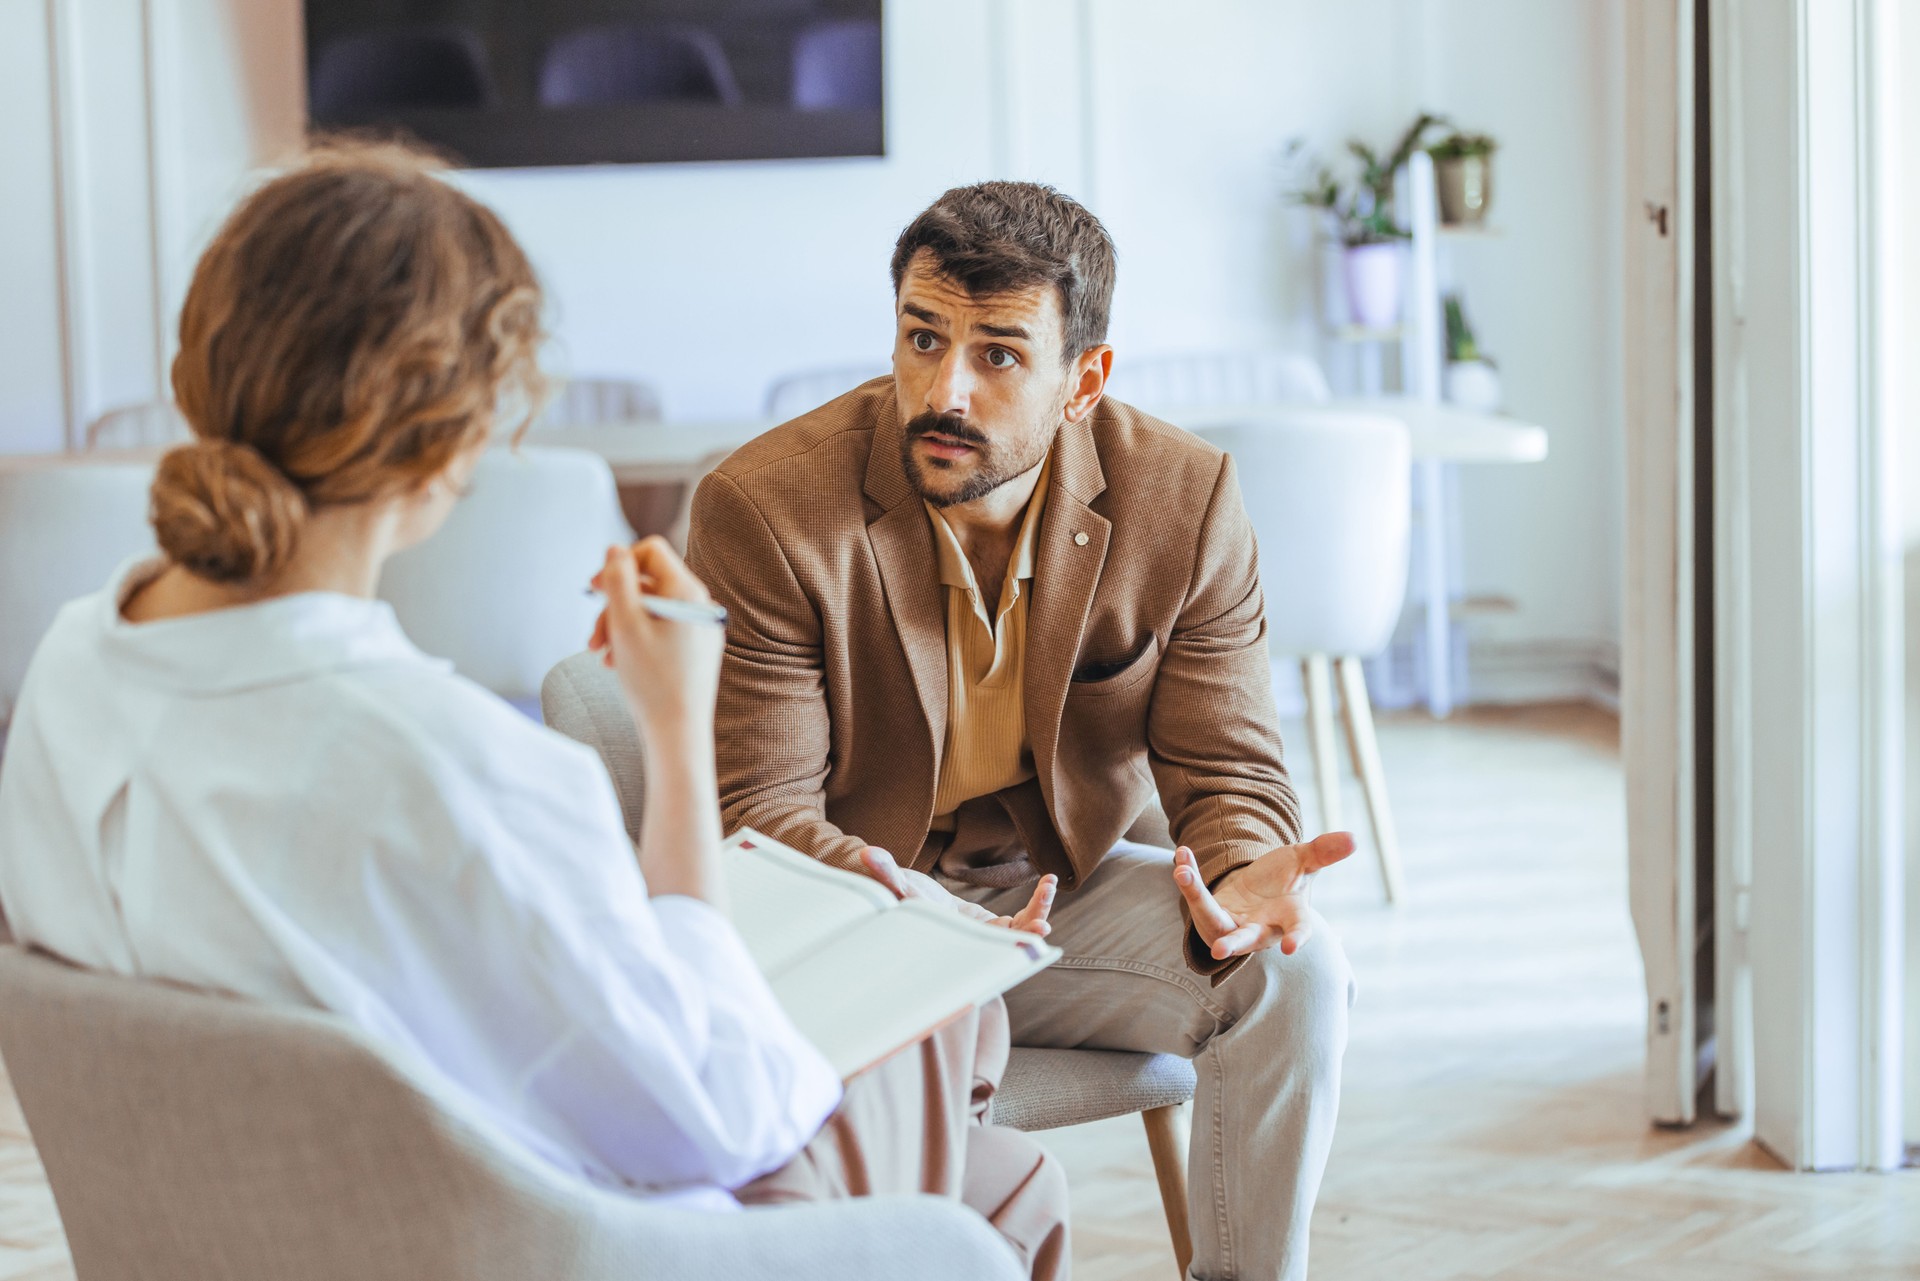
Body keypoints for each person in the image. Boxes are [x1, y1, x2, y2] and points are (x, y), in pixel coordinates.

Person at [0, 145, 1066, 1278]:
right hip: (564, 1248)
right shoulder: (449, 769)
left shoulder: (67, 676)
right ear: (450, 450)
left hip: (260, 1240)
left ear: (198, 371)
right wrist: (674, 729)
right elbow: (726, 1117)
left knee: (1008, 1179)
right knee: (940, 1031)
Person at [686, 181, 1358, 1281]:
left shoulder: (1183, 501)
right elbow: (759, 815)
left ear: (1083, 380)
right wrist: (911, 919)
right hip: (862, 907)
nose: (942, 389)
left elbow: (1226, 764)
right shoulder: (766, 510)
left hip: (1060, 903)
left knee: (1297, 969)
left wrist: (1241, 871)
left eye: (999, 355)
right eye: (922, 338)